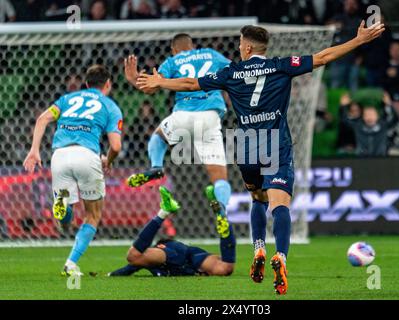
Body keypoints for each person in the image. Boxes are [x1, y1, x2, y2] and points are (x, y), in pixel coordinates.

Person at [135, 22, 385, 294]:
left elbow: (191, 83)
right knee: (280, 205)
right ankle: (281, 256)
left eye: (241, 44)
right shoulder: (282, 65)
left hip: (247, 147)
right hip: (276, 143)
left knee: (257, 199)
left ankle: (258, 249)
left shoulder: (231, 72)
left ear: (249, 47)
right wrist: (358, 40)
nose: (239, 47)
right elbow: (324, 56)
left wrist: (160, 82)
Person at [23, 65, 123, 276]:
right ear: (108, 84)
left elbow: (42, 119)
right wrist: (108, 160)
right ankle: (70, 263)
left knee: (65, 219)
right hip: (87, 156)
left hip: (59, 155)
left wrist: (34, 151)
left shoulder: (67, 100)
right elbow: (115, 146)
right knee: (93, 215)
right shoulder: (110, 106)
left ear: (86, 84)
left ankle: (64, 206)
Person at [124, 33, 233, 218]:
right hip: (210, 117)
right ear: (193, 45)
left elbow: (150, 88)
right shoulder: (211, 54)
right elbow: (235, 71)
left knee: (158, 137)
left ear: (174, 50)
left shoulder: (172, 61)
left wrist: (134, 78)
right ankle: (221, 210)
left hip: (183, 116)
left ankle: (156, 167)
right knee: (219, 177)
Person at [109, 186, 235, 277]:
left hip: (172, 254)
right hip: (191, 257)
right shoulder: (150, 260)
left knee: (133, 256)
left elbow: (130, 266)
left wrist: (112, 275)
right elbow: (129, 268)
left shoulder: (158, 253)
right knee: (226, 268)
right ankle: (221, 213)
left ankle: (163, 212)